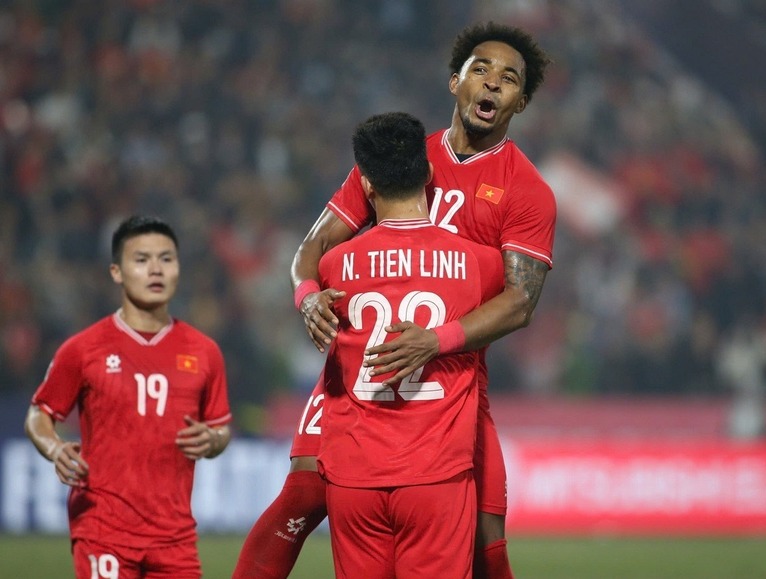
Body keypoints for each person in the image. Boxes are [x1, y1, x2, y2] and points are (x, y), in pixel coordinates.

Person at [234, 21, 555, 579]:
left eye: (508, 79)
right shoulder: (402, 158)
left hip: (452, 371)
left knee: (486, 539)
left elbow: (520, 302)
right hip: (364, 363)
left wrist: (436, 340)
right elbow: (312, 248)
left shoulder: (527, 191)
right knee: (305, 493)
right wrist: (307, 297)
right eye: (480, 69)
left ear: (520, 102)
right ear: (454, 81)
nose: (492, 83)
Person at [321, 111, 504, 577]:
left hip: (353, 478)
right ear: (427, 175)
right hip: (436, 474)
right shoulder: (481, 265)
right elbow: (517, 307)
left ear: (366, 186)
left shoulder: (334, 266)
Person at [24, 215, 233, 579]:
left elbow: (220, 428)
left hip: (175, 536)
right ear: (116, 272)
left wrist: (213, 440)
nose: (156, 269)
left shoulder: (204, 352)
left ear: (178, 268)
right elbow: (38, 414)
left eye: (166, 259)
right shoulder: (83, 349)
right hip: (103, 528)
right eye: (141, 259)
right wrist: (55, 448)